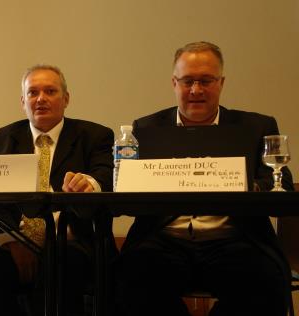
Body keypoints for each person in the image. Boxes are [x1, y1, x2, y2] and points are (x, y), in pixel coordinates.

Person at [114, 41, 295, 316]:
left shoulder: (256, 126)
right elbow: (129, 193)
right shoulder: (147, 128)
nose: (196, 90)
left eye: (206, 81)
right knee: (131, 278)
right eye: (187, 81)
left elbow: (279, 182)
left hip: (235, 240)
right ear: (174, 83)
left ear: (221, 83)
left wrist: (248, 184)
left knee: (263, 282)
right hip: (164, 240)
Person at [0, 64, 115, 316]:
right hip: (12, 241)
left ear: (65, 99)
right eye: (33, 93)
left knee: (58, 274)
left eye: (50, 91)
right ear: (23, 101)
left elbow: (105, 177)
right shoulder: (1, 139)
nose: (41, 99)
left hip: (72, 240)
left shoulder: (94, 135)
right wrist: (14, 242)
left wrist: (88, 184)